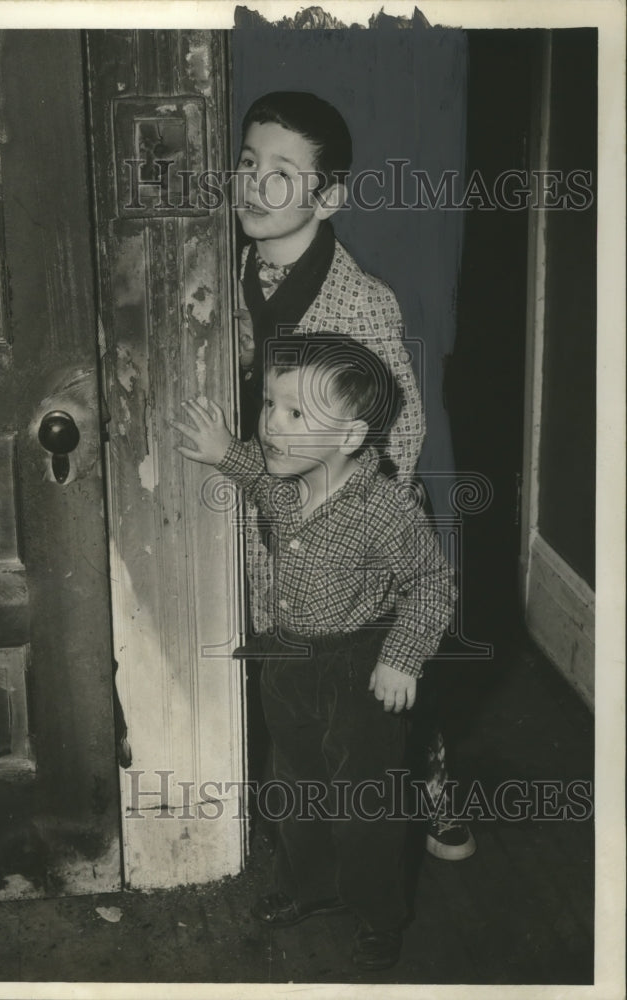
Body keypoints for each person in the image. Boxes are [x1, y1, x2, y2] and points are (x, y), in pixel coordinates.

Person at [232, 90, 475, 862]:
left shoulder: (359, 301)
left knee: (373, 681)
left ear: (327, 196)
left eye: (282, 173)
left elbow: (400, 425)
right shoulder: (231, 269)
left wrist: (346, 520)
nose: (255, 186)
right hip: (263, 501)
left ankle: (426, 778)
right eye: (246, 164)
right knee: (283, 663)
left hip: (352, 521)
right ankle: (290, 807)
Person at [172, 334, 456, 970]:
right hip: (291, 659)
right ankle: (312, 887)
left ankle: (379, 912)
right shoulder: (287, 478)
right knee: (293, 781)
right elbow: (257, 478)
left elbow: (433, 584)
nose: (271, 423)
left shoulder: (385, 506)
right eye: (269, 404)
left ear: (351, 437)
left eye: (295, 414)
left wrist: (403, 655)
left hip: (360, 666)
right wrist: (225, 453)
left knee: (365, 800)